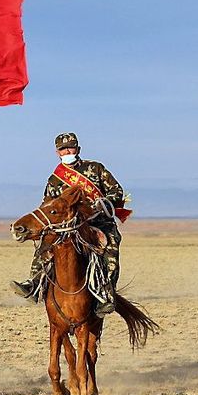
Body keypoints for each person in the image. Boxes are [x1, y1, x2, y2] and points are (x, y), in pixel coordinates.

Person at [11, 132, 129, 316]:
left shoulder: (95, 168)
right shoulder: (55, 179)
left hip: (99, 223)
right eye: (63, 148)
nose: (67, 151)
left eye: (70, 147)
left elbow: (117, 191)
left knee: (110, 250)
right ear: (57, 152)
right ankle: (33, 284)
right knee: (45, 245)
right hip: (68, 227)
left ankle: (106, 296)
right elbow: (48, 203)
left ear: (78, 148)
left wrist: (102, 203)